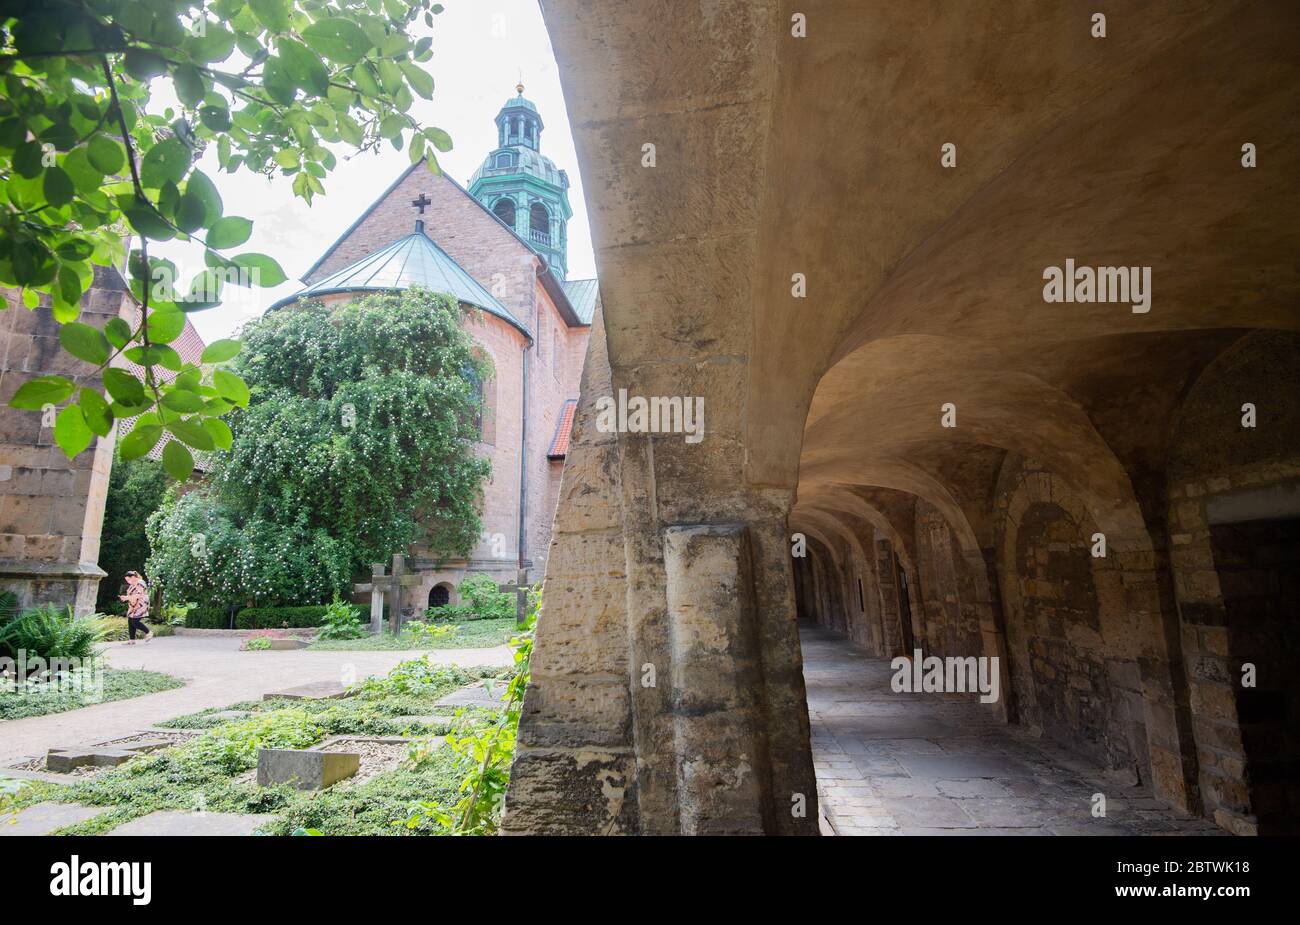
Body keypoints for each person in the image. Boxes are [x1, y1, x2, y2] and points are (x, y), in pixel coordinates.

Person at [119, 571, 153, 644]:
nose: (128, 581)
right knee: (130, 620)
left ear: (133, 577)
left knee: (134, 621)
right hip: (133, 605)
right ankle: (132, 640)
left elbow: (139, 595)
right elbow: (130, 596)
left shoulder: (141, 583)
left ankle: (148, 632)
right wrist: (125, 598)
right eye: (126, 580)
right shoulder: (131, 585)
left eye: (128, 579)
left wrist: (127, 597)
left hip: (141, 604)